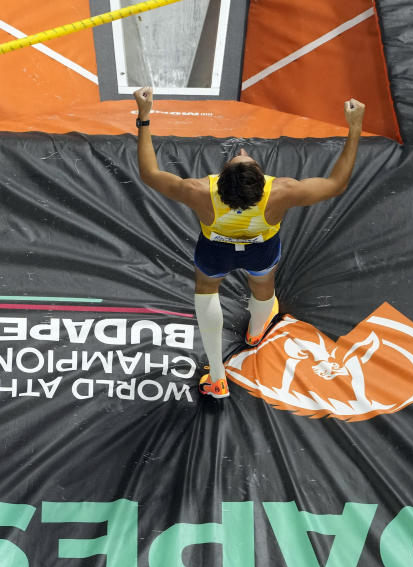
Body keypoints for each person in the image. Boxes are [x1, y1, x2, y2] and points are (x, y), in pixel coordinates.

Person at [133, 86, 365, 398]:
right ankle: (256, 333)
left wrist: (144, 117)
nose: (241, 152)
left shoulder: (199, 191)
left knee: (206, 291)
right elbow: (337, 183)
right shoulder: (281, 192)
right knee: (263, 287)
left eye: (238, 158)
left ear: (220, 180)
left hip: (215, 253)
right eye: (244, 158)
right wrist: (355, 127)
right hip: (259, 251)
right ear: (261, 180)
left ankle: (217, 376)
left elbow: (149, 173)